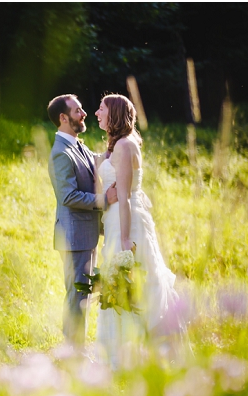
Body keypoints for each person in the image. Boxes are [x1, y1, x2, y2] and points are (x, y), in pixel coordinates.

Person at [93, 93, 182, 369]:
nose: (97, 113)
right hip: (123, 222)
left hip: (125, 225)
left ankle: (129, 358)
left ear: (114, 114)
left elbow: (126, 197)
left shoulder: (123, 146)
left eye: (101, 108)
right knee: (133, 287)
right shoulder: (124, 144)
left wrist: (123, 239)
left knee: (131, 287)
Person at [46, 94, 118, 348]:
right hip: (74, 237)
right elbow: (68, 196)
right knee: (77, 296)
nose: (84, 113)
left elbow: (96, 161)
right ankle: (72, 355)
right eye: (78, 110)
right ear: (63, 118)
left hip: (84, 235)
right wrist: (104, 200)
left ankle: (74, 352)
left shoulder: (76, 145)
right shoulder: (60, 153)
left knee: (82, 295)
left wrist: (118, 145)